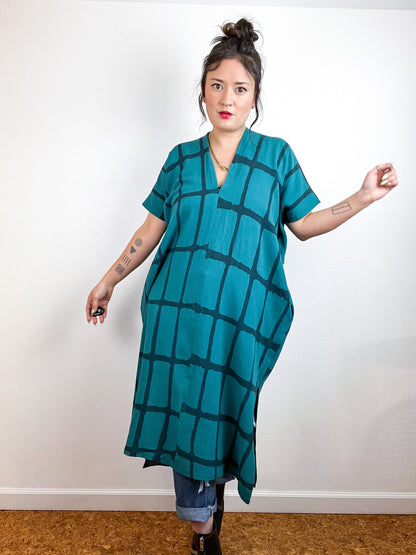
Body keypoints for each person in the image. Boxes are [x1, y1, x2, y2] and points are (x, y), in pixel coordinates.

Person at [86, 18, 398, 555]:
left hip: (239, 320)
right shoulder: (180, 160)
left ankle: (209, 510)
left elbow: (305, 224)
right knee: (189, 412)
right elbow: (150, 230)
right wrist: (109, 280)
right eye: (216, 85)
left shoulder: (275, 157)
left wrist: (362, 196)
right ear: (202, 92)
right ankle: (203, 529)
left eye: (240, 88)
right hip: (178, 318)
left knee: (226, 409)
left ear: (255, 97)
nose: (226, 98)